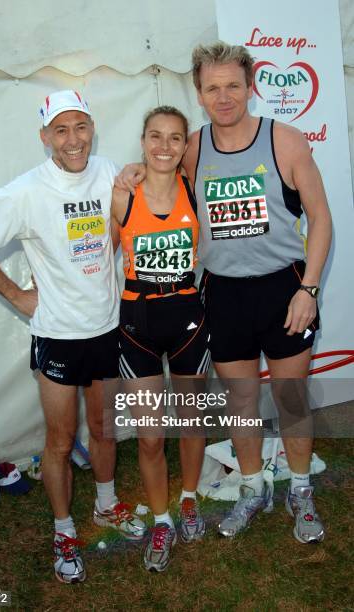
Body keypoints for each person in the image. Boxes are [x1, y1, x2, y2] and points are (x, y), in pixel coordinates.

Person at [116, 41, 332, 544]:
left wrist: (309, 289)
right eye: (212, 88)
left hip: (285, 287)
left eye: (233, 85)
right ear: (199, 92)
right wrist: (133, 173)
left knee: (291, 398)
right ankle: (253, 488)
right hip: (224, 294)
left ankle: (300, 490)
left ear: (251, 86)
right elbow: (156, 178)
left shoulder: (286, 140)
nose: (224, 96)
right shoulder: (191, 146)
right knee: (242, 402)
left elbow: (321, 219)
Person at [0, 90, 145, 585]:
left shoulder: (109, 173)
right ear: (44, 137)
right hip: (58, 335)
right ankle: (64, 530)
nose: (73, 140)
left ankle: (106, 506)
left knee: (104, 429)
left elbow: (123, 221)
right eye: (60, 130)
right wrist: (16, 294)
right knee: (60, 440)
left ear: (93, 128)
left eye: (80, 127)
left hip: (107, 329)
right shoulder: (25, 191)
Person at [112, 106, 210, 571]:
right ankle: (163, 518)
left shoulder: (194, 185)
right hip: (138, 323)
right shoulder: (121, 194)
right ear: (143, 140)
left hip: (188, 317)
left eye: (175, 138)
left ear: (185, 145)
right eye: (155, 136)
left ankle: (188, 498)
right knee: (150, 438)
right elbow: (93, 253)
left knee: (191, 423)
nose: (164, 147)